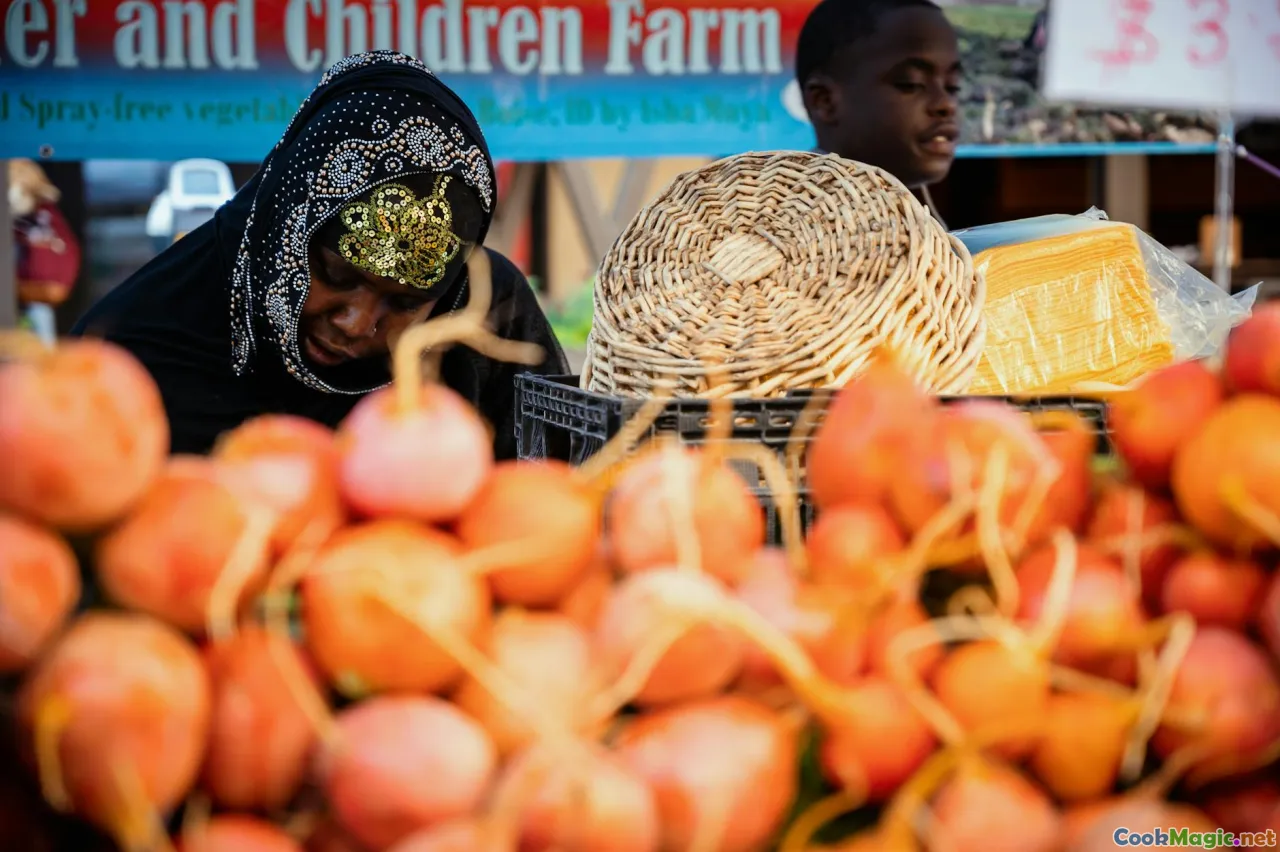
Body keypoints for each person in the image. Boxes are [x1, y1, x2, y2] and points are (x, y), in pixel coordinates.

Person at [71, 51, 568, 459]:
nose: (356, 323)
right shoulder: (134, 357)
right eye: (336, 274)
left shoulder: (485, 317)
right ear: (285, 226)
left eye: (404, 304)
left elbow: (549, 502)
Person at [795, 0, 963, 191]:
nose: (947, 104)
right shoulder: (788, 208)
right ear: (825, 102)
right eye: (911, 83)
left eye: (952, 86)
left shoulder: (908, 205)